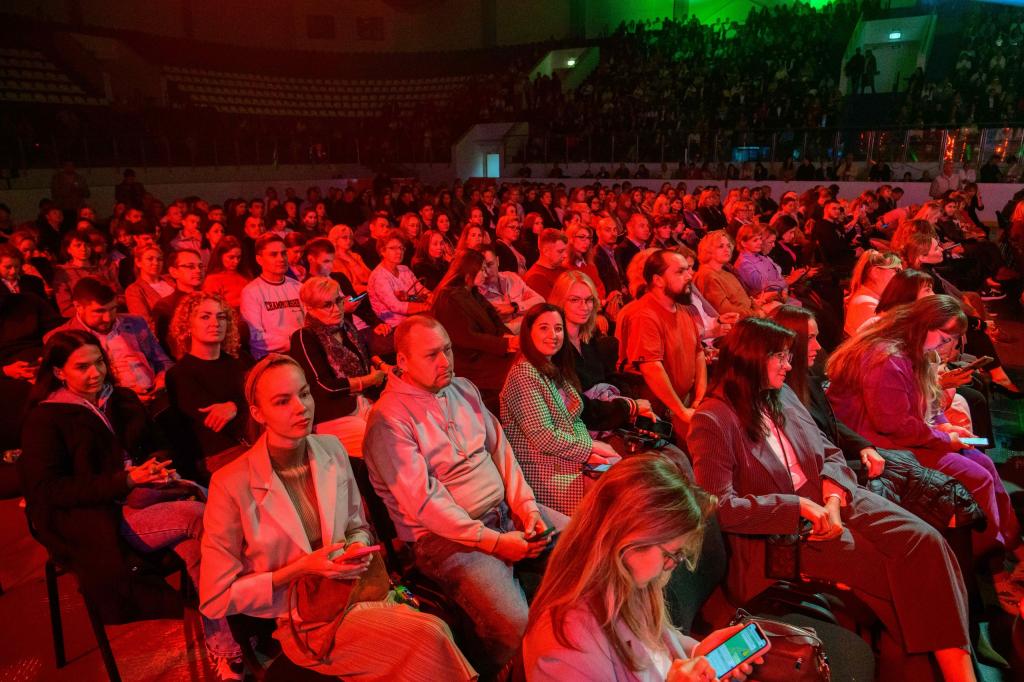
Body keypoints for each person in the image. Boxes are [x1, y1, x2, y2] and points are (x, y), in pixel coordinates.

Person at [688, 317, 974, 681]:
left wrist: (833, 496)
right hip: (782, 534)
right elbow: (720, 507)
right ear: (752, 357)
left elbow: (829, 451)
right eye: (780, 356)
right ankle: (945, 673)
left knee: (926, 542)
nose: (789, 365)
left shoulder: (782, 394)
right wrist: (797, 507)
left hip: (832, 497)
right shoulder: (713, 419)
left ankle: (953, 671)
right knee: (899, 574)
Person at [199, 354, 475, 680]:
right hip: (306, 622)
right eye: (282, 401)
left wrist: (355, 546)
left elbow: (358, 526)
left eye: (304, 394)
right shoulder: (231, 483)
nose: (301, 407)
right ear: (258, 413)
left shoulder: (330, 448)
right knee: (429, 633)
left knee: (432, 632)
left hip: (355, 592)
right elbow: (215, 598)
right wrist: (299, 569)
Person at [19, 330, 242, 679]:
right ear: (60, 372)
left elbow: (159, 445)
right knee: (205, 516)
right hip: (98, 517)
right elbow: (48, 490)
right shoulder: (46, 419)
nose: (95, 373)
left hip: (148, 497)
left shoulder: (121, 398)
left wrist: (155, 467)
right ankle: (252, 617)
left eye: (99, 363)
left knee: (200, 546)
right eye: (82, 367)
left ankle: (228, 648)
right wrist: (124, 481)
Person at [363, 315, 566, 671]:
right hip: (445, 540)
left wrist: (527, 508)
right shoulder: (388, 419)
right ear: (403, 361)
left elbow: (501, 451)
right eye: (432, 355)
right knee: (516, 627)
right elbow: (426, 504)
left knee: (590, 546)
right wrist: (495, 543)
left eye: (448, 350)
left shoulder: (463, 388)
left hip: (504, 514)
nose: (445, 361)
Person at [826, 296, 1024, 603]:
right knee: (977, 476)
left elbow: (926, 403)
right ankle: (990, 564)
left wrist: (945, 427)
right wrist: (944, 438)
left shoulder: (908, 348)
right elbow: (893, 425)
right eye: (945, 339)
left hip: (893, 434)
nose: (949, 348)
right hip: (874, 444)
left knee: (982, 463)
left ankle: (1012, 548)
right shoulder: (887, 358)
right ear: (924, 326)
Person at [524, 455, 760, 681]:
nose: (672, 565)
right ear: (629, 542)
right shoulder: (565, 645)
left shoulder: (631, 585)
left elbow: (658, 648)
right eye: (671, 555)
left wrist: (699, 652)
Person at [500, 304, 626, 516]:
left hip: (568, 458)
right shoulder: (523, 374)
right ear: (528, 333)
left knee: (621, 475)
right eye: (544, 328)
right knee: (617, 491)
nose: (553, 335)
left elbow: (576, 418)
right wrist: (589, 449)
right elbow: (544, 437)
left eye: (558, 328)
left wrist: (590, 452)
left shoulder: (552, 369)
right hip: (545, 470)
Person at [288, 277, 386, 459]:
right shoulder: (303, 337)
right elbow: (323, 386)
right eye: (327, 305)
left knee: (399, 429)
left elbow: (366, 356)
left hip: (362, 401)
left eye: (339, 301)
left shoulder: (346, 327)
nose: (337, 309)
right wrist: (368, 381)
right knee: (378, 443)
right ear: (310, 308)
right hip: (333, 412)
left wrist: (381, 366)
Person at [616, 250, 706, 439]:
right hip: (658, 415)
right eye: (680, 272)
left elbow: (698, 353)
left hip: (684, 405)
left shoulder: (683, 309)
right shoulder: (643, 315)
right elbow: (652, 368)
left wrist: (699, 398)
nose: (689, 276)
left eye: (688, 270)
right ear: (658, 280)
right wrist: (682, 411)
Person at [165, 292, 251, 479]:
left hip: (254, 443)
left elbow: (263, 399)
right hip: (219, 456)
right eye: (205, 317)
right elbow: (218, 422)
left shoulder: (240, 361)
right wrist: (245, 405)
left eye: (221, 317)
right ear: (188, 325)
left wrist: (235, 406)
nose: (215, 323)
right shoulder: (180, 374)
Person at [46, 278, 173, 403]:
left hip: (156, 394)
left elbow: (163, 360)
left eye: (113, 309)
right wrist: (122, 395)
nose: (107, 318)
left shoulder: (135, 322)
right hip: (111, 404)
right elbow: (66, 388)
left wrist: (162, 378)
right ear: (78, 306)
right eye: (99, 311)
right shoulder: (63, 337)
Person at [430, 249, 517, 404]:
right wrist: (505, 344)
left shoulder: (471, 292)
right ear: (468, 271)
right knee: (516, 368)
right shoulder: (448, 298)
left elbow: (494, 318)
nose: (486, 273)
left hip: (485, 351)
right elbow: (467, 338)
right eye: (482, 269)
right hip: (469, 360)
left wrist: (507, 336)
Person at [240, 233, 304, 359]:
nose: (281, 259)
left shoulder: (299, 287)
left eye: (283, 253)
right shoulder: (251, 292)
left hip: (302, 352)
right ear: (259, 259)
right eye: (274, 254)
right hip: (272, 358)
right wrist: (296, 343)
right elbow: (256, 338)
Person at [692, 231, 773, 318]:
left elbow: (745, 300)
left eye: (728, 246)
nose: (727, 249)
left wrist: (759, 310)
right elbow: (725, 310)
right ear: (707, 250)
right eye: (721, 246)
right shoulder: (706, 275)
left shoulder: (726, 273)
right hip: (741, 321)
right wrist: (756, 314)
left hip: (751, 316)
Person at [367, 230, 431, 328]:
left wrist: (432, 297)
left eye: (401, 248)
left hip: (415, 318)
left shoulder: (404, 269)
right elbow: (395, 306)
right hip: (394, 325)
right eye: (393, 248)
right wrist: (425, 307)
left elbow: (420, 288)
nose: (399, 252)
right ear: (382, 251)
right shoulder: (379, 276)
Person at [475, 245, 544, 334]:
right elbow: (497, 331)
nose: (487, 271)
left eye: (490, 264)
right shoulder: (477, 293)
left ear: (498, 261)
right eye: (482, 268)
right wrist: (526, 312)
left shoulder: (511, 277)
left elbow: (540, 301)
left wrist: (514, 307)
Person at [53, 229, 123, 317]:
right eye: (78, 245)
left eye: (87, 245)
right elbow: (66, 309)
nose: (84, 249)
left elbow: (119, 294)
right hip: (83, 319)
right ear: (68, 249)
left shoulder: (103, 269)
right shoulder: (63, 274)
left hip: (113, 314)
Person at [152, 249, 204, 351]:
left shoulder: (211, 301)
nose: (198, 270)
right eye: (191, 266)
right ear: (174, 272)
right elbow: (164, 345)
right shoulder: (165, 306)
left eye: (200, 266)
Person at [843, 249, 903, 336]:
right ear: (875, 273)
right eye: (897, 271)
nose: (901, 276)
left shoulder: (870, 298)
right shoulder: (865, 303)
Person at [125, 244, 175, 331]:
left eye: (159, 259)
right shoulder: (134, 290)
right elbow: (143, 322)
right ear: (138, 262)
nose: (156, 263)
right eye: (150, 259)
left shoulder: (171, 279)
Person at [202, 236, 250, 309]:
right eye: (231, 257)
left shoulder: (244, 274)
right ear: (220, 256)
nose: (236, 261)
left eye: (238, 257)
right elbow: (212, 307)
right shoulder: (212, 279)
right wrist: (240, 302)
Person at [524, 228, 570, 299]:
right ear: (546, 251)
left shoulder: (564, 270)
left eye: (565, 251)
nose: (565, 255)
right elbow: (551, 305)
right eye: (560, 251)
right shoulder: (535, 278)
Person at [328, 224, 373, 292]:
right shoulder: (332, 260)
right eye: (344, 237)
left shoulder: (356, 256)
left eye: (350, 237)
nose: (348, 240)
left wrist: (351, 261)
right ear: (335, 239)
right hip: (350, 295)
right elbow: (346, 287)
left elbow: (368, 278)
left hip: (366, 290)